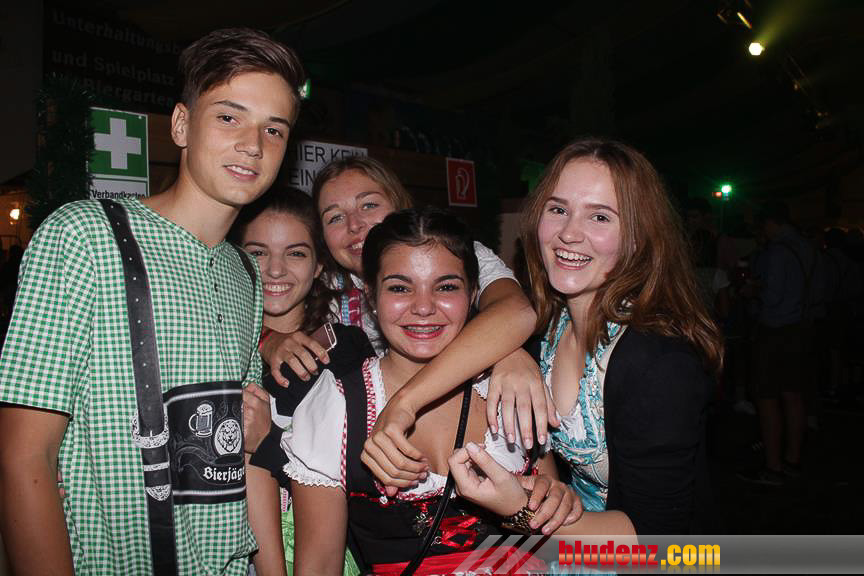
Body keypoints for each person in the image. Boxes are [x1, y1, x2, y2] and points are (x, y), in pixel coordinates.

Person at [0, 28, 303, 575]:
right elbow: (24, 456)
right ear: (182, 124)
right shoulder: (84, 236)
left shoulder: (244, 272)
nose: (253, 145)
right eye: (229, 117)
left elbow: (236, 453)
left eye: (274, 129)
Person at [284, 207, 578, 575]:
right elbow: (319, 566)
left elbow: (564, 548)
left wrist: (555, 505)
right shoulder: (337, 406)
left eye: (446, 287)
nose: (423, 307)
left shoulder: (511, 383)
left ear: (473, 293)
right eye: (399, 288)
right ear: (371, 296)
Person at [454, 138, 721, 536]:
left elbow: (657, 534)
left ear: (638, 238)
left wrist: (520, 510)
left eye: (599, 217)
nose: (568, 234)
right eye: (558, 209)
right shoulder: (551, 323)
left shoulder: (659, 362)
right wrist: (509, 353)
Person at [261, 157, 556, 496]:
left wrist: (507, 352)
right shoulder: (326, 285)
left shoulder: (450, 249)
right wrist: (268, 338)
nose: (355, 225)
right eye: (335, 217)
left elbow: (514, 311)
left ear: (399, 203)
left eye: (368, 205)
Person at [232, 186, 366, 575]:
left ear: (319, 265)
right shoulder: (213, 347)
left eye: (295, 253)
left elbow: (360, 478)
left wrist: (269, 442)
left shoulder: (345, 350)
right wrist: (265, 339)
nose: (275, 270)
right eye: (258, 253)